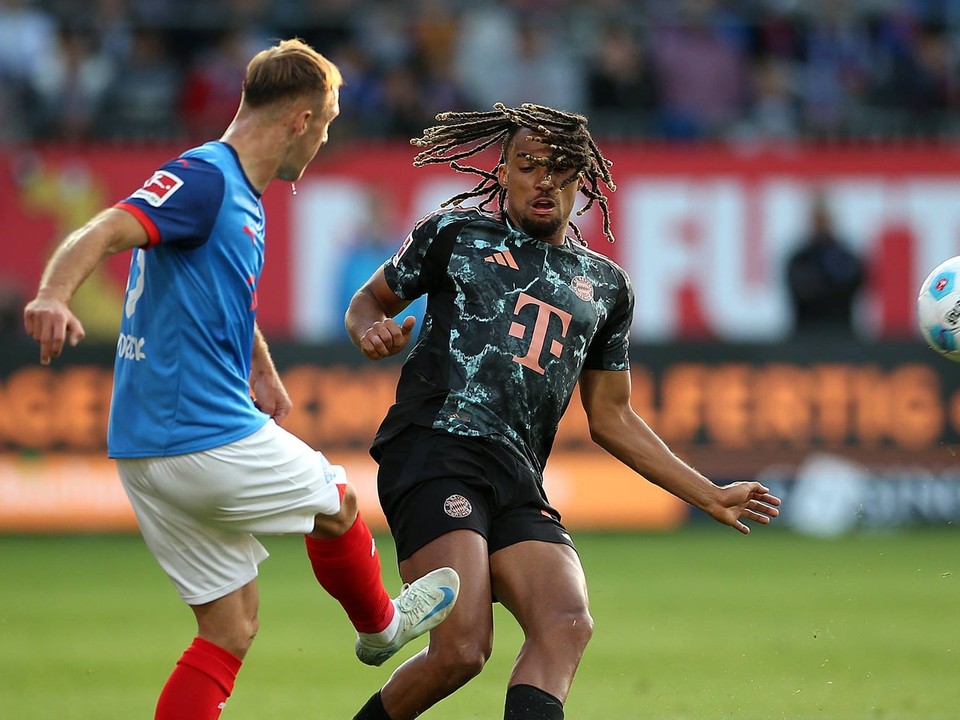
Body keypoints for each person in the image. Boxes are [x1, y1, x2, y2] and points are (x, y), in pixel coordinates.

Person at [22, 38, 459, 720]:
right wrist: (53, 293)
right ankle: (382, 628)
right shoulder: (206, 180)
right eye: (328, 124)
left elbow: (218, 292)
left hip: (143, 449)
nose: (323, 142)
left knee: (229, 628)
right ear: (299, 121)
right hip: (195, 433)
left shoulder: (235, 196)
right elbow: (106, 227)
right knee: (337, 500)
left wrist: (260, 366)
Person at [344, 102, 783, 720]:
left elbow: (613, 417)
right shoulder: (454, 235)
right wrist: (369, 329)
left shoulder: (606, 286)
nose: (544, 180)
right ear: (502, 172)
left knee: (566, 623)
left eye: (561, 169)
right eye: (529, 166)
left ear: (584, 183)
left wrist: (708, 494)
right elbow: (370, 301)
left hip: (519, 478)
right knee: (463, 649)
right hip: (436, 448)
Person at [785, 193, 865, 337]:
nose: (820, 224)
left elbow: (852, 287)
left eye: (823, 218)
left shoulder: (846, 258)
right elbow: (805, 294)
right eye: (817, 219)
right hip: (805, 339)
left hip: (842, 337)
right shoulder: (799, 259)